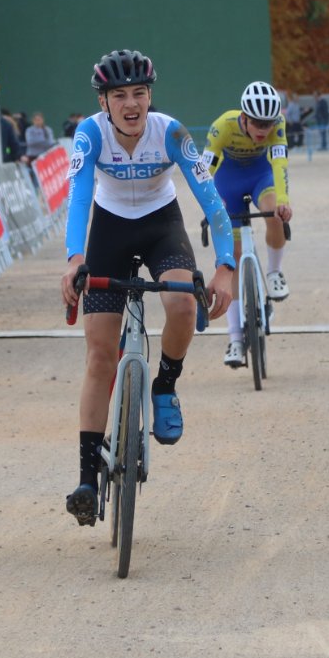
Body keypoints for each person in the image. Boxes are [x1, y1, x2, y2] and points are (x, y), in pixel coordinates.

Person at [60, 49, 236, 527]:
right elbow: (78, 196)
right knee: (100, 355)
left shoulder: (171, 132)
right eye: (120, 95)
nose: (131, 103)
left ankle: (164, 386)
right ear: (104, 101)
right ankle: (85, 479)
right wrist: (75, 257)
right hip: (110, 229)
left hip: (161, 225)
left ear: (150, 95)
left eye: (139, 93)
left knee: (181, 302)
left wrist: (226, 266)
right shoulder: (90, 134)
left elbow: (212, 202)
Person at [202, 81, 294, 368]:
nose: (263, 130)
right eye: (257, 123)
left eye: (268, 124)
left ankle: (275, 272)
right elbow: (205, 171)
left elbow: (279, 164)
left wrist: (283, 200)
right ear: (243, 117)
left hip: (260, 177)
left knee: (273, 213)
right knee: (236, 256)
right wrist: (211, 207)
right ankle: (236, 339)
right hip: (227, 181)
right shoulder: (222, 126)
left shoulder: (278, 125)